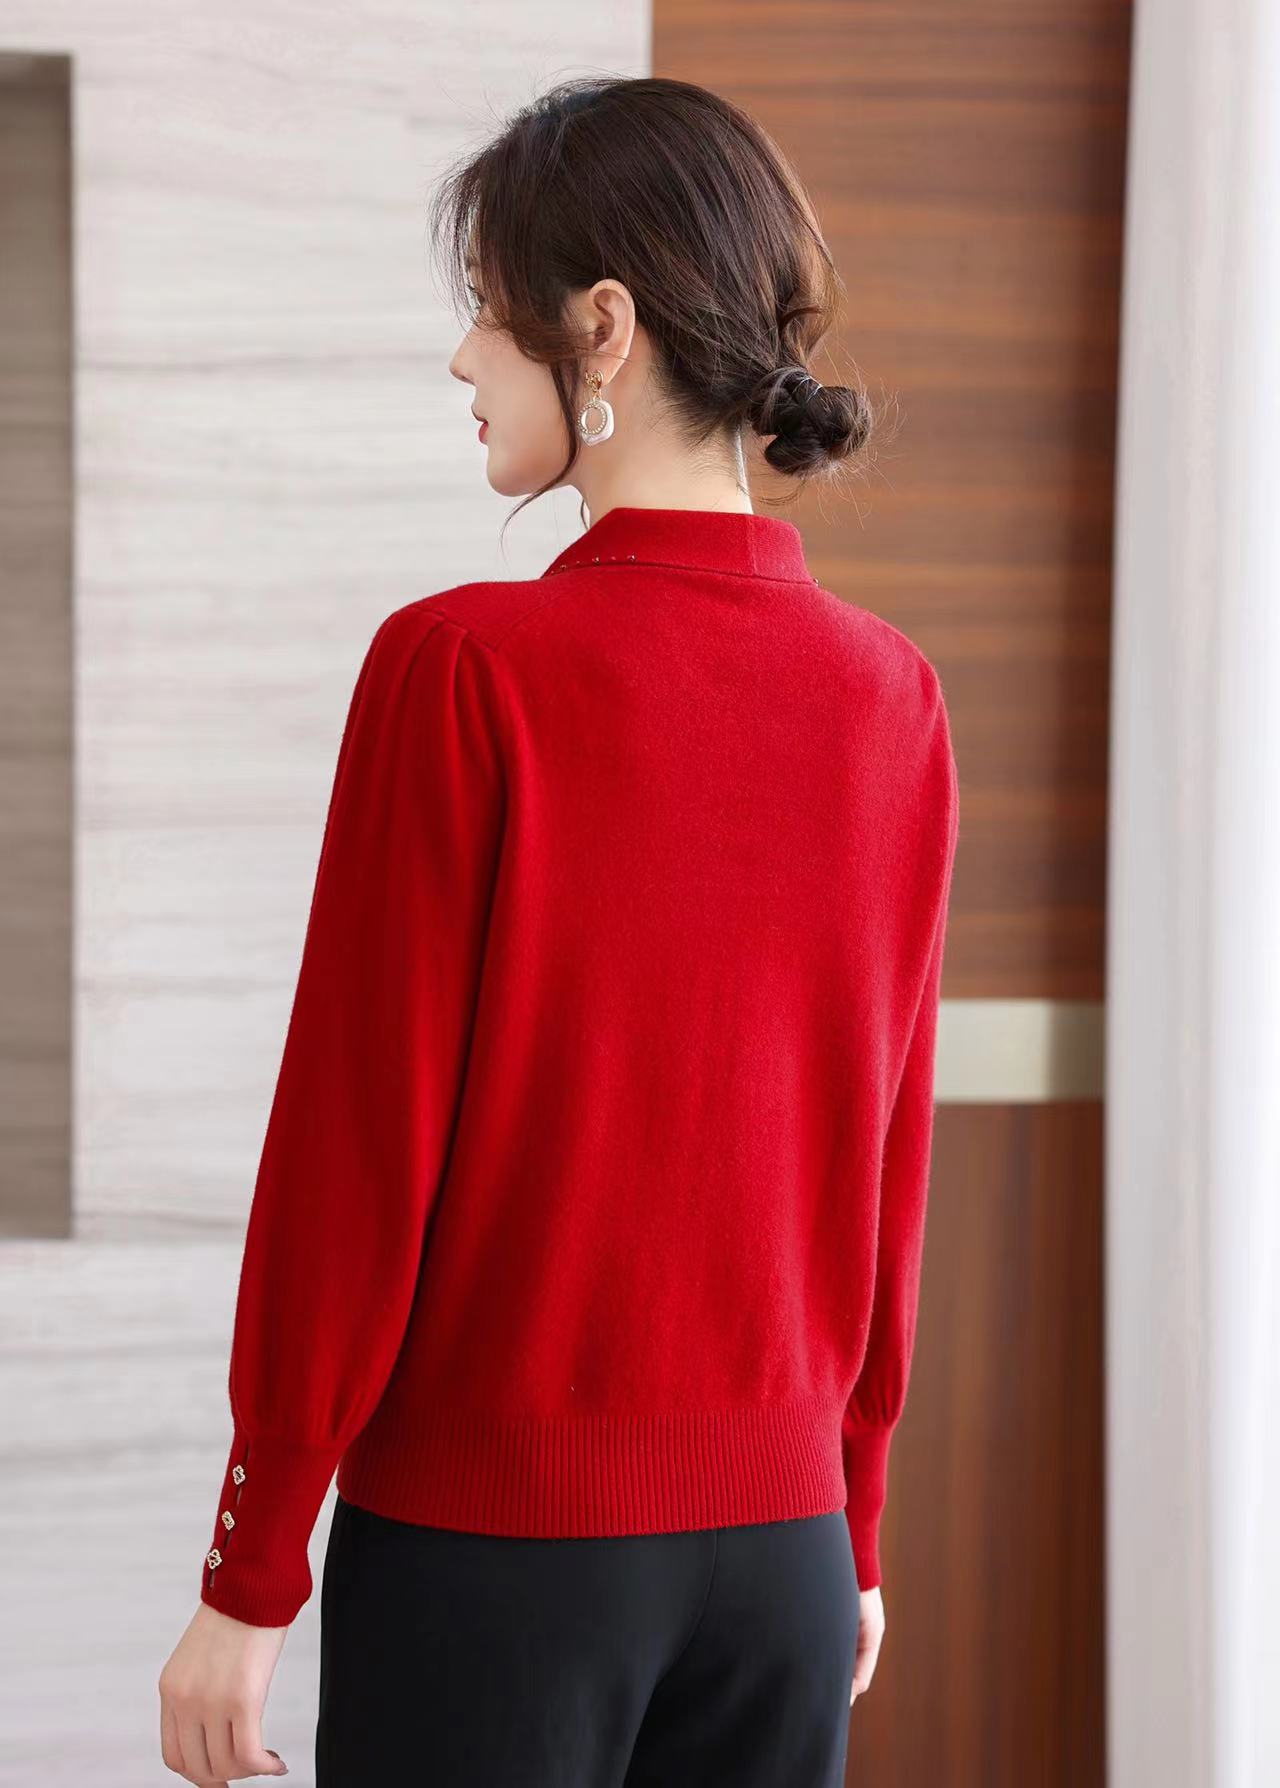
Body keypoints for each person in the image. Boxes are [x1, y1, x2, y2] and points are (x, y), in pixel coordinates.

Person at [157, 73, 958, 1788]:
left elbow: (356, 1150)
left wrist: (253, 1559)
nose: (464, 360)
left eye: (486, 311)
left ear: (601, 327)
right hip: (787, 1564)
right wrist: (856, 1515)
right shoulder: (891, 696)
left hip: (495, 1569)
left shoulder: (462, 669)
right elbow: (888, 1156)